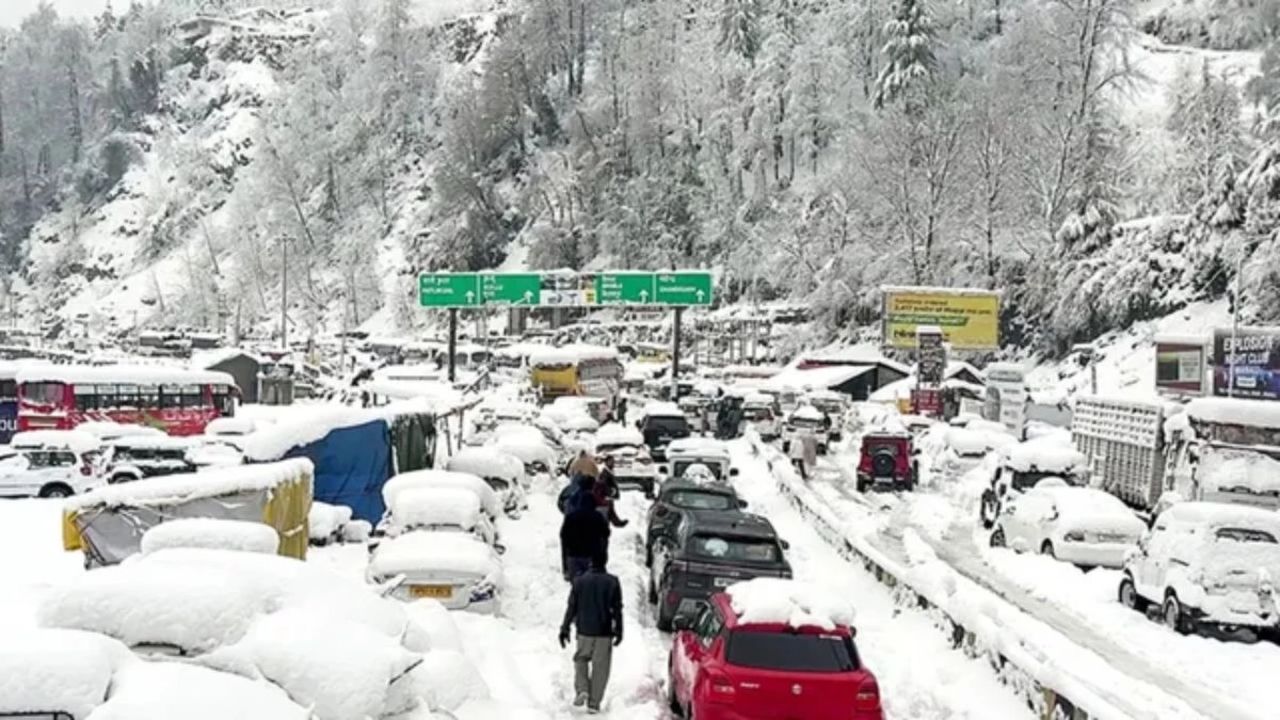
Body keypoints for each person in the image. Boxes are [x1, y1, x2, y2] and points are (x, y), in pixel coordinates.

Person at [559, 553, 623, 714]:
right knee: (601, 667)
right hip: (604, 632)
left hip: (584, 630)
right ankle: (594, 703)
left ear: (590, 563)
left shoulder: (580, 581)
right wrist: (619, 630)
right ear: (605, 562)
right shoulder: (612, 582)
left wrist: (565, 628)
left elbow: (571, 607)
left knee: (580, 658)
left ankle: (582, 688)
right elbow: (617, 609)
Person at [560, 493, 609, 581]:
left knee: (576, 585)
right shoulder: (597, 517)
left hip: (573, 556)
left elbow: (564, 538)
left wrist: (565, 565)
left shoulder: (570, 517)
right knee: (590, 585)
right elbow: (606, 534)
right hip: (592, 556)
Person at [594, 456, 628, 529]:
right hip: (605, 496)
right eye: (610, 461)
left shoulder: (609, 471)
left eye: (613, 461)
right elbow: (602, 484)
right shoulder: (605, 473)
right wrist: (610, 491)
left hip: (608, 496)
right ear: (606, 462)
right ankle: (613, 524)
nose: (612, 463)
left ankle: (616, 523)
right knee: (608, 512)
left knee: (610, 511)